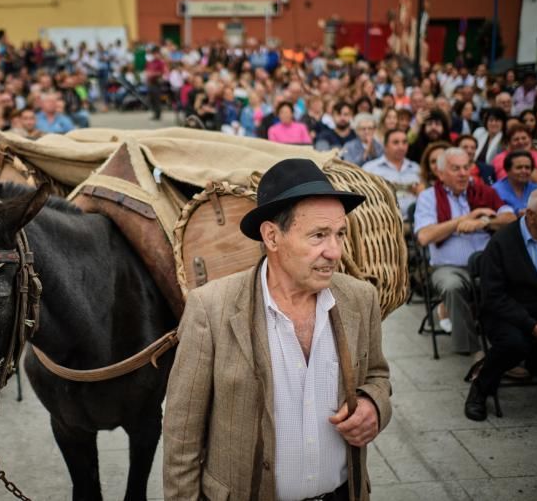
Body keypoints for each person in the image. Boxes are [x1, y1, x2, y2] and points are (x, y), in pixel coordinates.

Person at [163, 159, 391, 500]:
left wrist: (373, 406)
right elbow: (182, 437)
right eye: (318, 235)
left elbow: (377, 376)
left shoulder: (360, 299)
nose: (334, 251)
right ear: (272, 236)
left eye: (339, 233)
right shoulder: (211, 309)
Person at [414, 148, 516, 355]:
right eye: (455, 168)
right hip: (449, 267)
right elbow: (424, 236)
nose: (463, 173)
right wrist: (463, 220)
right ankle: (472, 350)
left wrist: (484, 222)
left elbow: (511, 220)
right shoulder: (428, 197)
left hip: (488, 264)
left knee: (515, 281)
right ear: (441, 174)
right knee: (452, 286)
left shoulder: (484, 191)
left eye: (466, 167)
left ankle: (511, 347)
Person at [465, 188, 537, 421]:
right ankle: (480, 388)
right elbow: (494, 297)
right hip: (509, 313)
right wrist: (532, 327)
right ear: (530, 215)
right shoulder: (502, 243)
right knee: (515, 343)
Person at [362, 129, 423, 221]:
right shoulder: (370, 169)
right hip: (383, 222)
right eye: (396, 142)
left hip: (415, 222)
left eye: (404, 142)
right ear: (385, 146)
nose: (401, 147)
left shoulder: (417, 169)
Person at [491, 151, 537, 215]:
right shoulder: (495, 190)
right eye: (519, 167)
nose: (524, 171)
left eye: (527, 168)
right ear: (507, 170)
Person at [145, 47, 166, 120]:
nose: (155, 55)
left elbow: (162, 72)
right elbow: (147, 71)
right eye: (154, 54)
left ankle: (158, 114)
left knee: (156, 99)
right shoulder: (151, 62)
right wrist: (148, 75)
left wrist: (153, 74)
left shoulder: (161, 62)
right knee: (152, 99)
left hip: (157, 82)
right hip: (150, 82)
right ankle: (154, 113)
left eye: (157, 54)